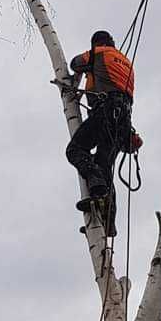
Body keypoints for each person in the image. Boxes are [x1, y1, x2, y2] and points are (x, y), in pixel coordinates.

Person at [65, 30, 135, 230]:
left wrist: (84, 70)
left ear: (97, 43)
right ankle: (108, 220)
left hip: (105, 111)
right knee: (104, 165)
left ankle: (96, 187)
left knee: (75, 151)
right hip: (123, 121)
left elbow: (74, 63)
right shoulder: (126, 62)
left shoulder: (98, 53)